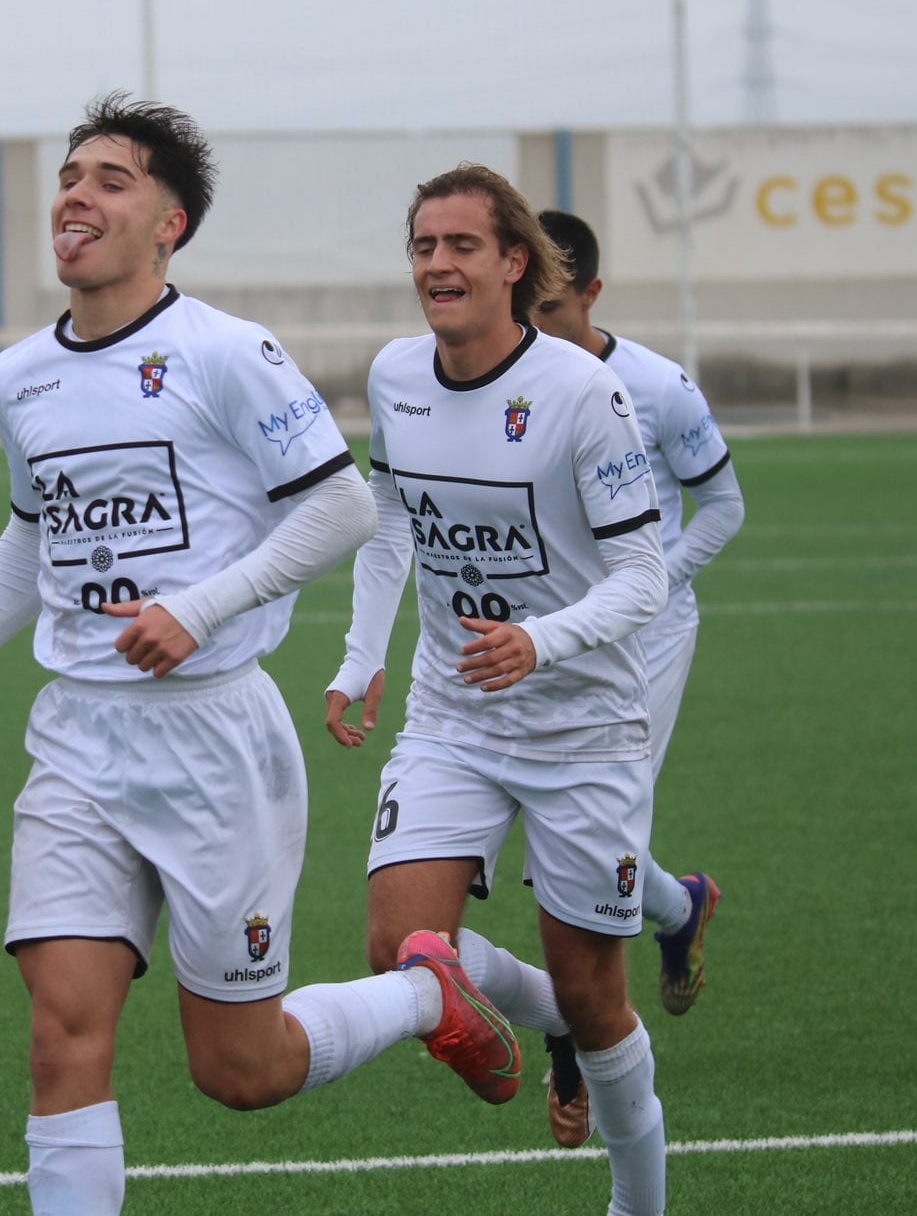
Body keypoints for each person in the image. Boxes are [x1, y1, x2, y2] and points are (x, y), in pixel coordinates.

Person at [0, 95, 520, 1216]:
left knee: (238, 1070)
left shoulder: (224, 353)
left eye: (110, 180)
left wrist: (199, 607)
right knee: (61, 1034)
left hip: (216, 738)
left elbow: (340, 510)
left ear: (168, 223)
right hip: (75, 735)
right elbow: (33, 529)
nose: (76, 194)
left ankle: (423, 995)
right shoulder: (18, 373)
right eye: (70, 175)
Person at [325, 165, 670, 1214]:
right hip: (451, 714)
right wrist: (358, 652)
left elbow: (644, 575)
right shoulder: (395, 374)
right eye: (423, 246)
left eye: (461, 245)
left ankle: (636, 1200)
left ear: (513, 263)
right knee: (397, 949)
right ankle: (541, 1012)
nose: (436, 264)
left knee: (593, 991)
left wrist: (538, 638)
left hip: (584, 728)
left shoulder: (579, 391)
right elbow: (391, 522)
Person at [529, 209, 741, 1142]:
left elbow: (723, 507)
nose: (536, 326)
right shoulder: (500, 377)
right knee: (576, 846)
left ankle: (571, 1053)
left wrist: (653, 587)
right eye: (523, 305)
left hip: (641, 641)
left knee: (587, 839)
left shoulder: (656, 387)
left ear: (593, 294)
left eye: (555, 306)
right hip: (537, 637)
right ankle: (682, 905)